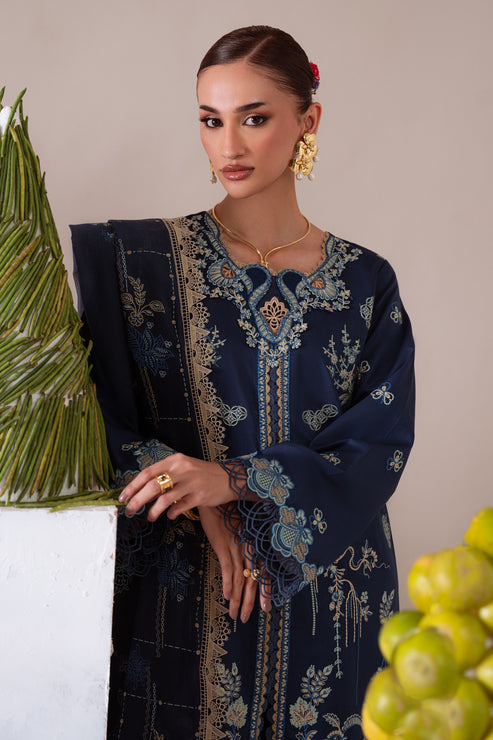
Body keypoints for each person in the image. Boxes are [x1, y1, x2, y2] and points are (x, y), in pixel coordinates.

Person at [71, 25, 415, 740]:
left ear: (307, 121)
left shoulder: (364, 281)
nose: (228, 145)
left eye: (253, 119)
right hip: (181, 593)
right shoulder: (139, 264)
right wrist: (192, 492)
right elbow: (88, 414)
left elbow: (377, 442)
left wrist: (233, 481)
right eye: (210, 120)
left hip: (329, 599)